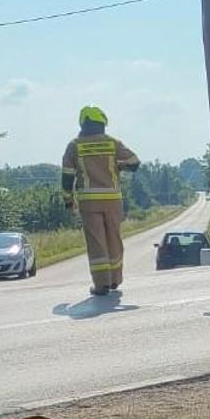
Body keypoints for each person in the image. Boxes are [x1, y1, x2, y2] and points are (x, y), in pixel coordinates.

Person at [61, 106, 141, 296]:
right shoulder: (112, 143)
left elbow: (67, 177)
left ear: (83, 123)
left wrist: (68, 200)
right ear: (102, 124)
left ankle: (101, 284)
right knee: (114, 239)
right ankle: (115, 280)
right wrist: (117, 166)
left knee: (97, 241)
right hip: (113, 200)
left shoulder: (74, 146)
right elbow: (134, 162)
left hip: (89, 202)